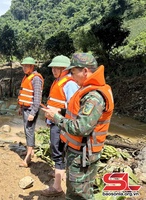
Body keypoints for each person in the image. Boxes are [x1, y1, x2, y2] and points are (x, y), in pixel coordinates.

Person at [42, 53, 114, 199]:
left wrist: (56, 118)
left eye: (73, 72)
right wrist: (61, 111)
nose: (72, 77)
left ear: (85, 71)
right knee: (77, 192)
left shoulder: (94, 97)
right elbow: (77, 113)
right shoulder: (87, 89)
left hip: (83, 156)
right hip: (78, 153)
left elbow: (81, 127)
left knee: (78, 195)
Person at [41, 55, 79, 197]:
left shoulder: (69, 84)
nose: (54, 70)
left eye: (58, 68)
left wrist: (58, 112)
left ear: (65, 69)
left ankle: (57, 187)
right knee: (58, 151)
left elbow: (74, 108)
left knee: (57, 151)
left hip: (61, 124)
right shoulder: (58, 82)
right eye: (53, 68)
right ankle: (60, 173)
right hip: (55, 122)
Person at [18, 57, 44, 167]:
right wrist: (20, 107)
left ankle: (28, 158)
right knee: (27, 129)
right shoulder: (27, 77)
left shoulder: (36, 79)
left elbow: (37, 99)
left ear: (32, 67)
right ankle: (30, 151)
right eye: (23, 66)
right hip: (25, 108)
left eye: (26, 66)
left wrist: (33, 113)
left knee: (29, 130)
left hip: (30, 109)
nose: (24, 68)